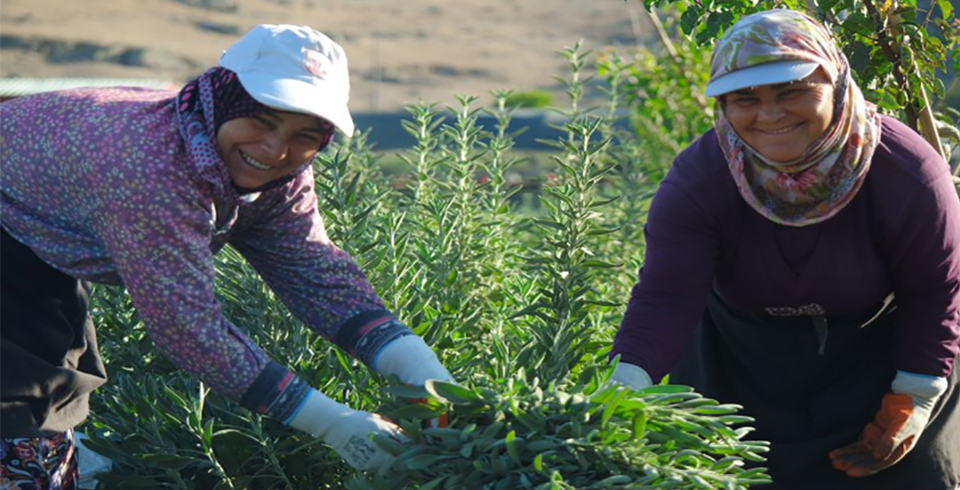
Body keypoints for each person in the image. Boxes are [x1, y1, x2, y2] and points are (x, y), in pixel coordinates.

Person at [0, 24, 454, 488]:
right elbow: (188, 328)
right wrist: (334, 424)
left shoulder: (278, 173)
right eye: (262, 119)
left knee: (54, 388)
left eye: (305, 134)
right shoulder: (148, 169)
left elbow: (315, 273)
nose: (276, 149)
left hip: (30, 233)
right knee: (24, 406)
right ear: (221, 99)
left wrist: (428, 380)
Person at [608, 9, 960, 490]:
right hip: (735, 360)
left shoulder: (907, 174)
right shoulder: (701, 182)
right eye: (745, 99)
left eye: (792, 90)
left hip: (879, 355)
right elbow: (667, 296)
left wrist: (915, 395)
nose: (769, 115)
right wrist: (621, 389)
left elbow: (934, 291)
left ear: (834, 84)